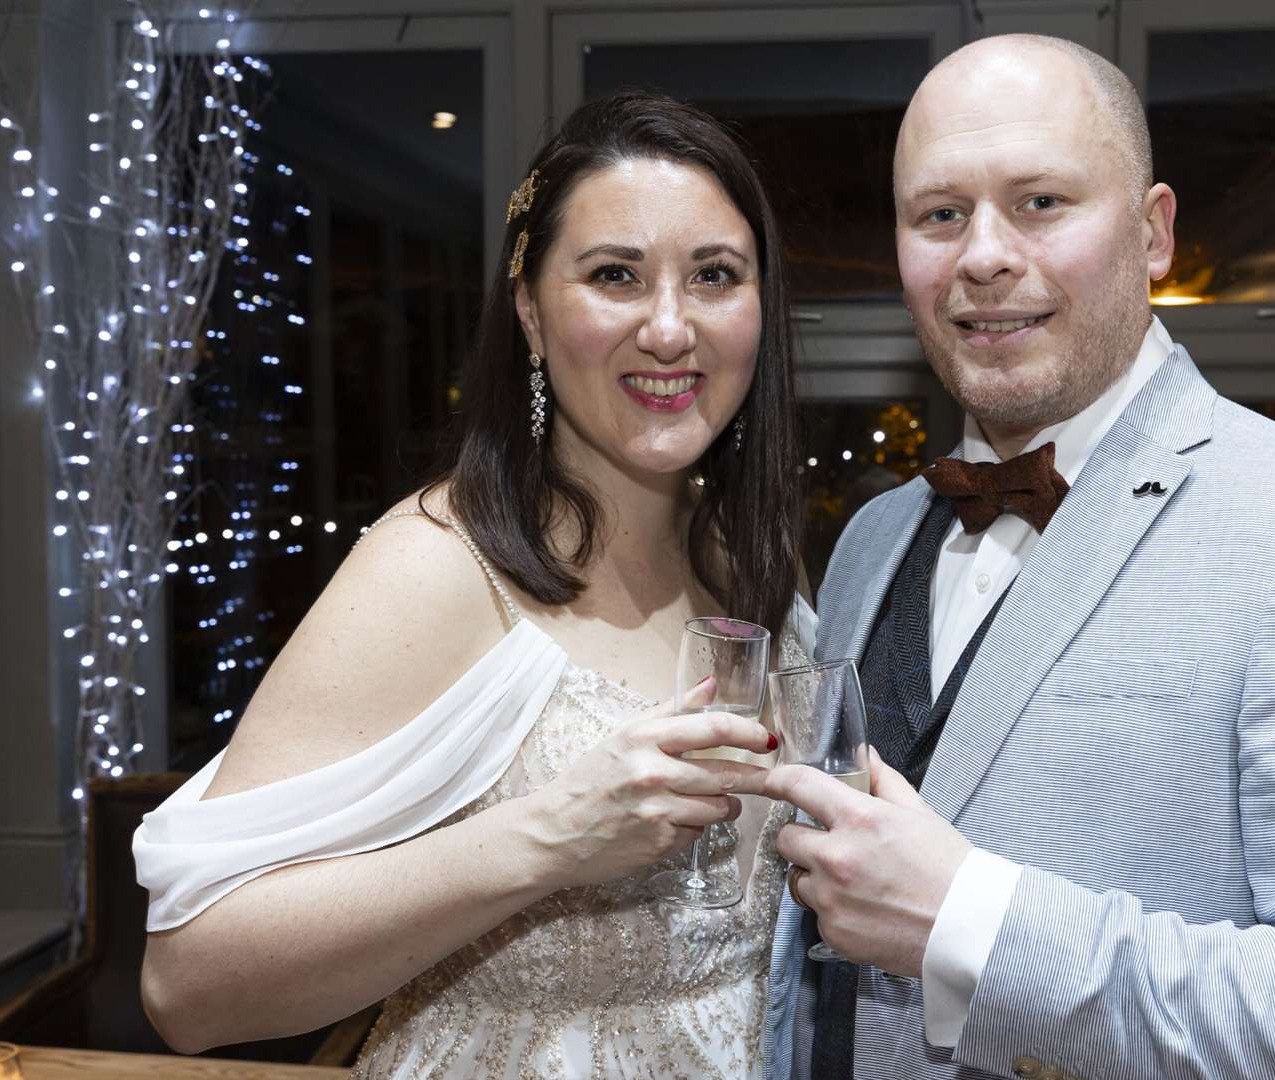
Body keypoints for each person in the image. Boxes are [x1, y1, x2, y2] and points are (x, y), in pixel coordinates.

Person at [761, 34, 1275, 1080]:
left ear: (1155, 233)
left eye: (1041, 203)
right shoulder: (870, 540)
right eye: (941, 214)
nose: (983, 255)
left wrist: (976, 919)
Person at [134, 91, 811, 1078]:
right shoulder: (435, 566)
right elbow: (188, 986)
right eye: (615, 275)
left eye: (714, 276)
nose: (671, 329)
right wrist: (548, 838)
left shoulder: (755, 562)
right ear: (532, 311)